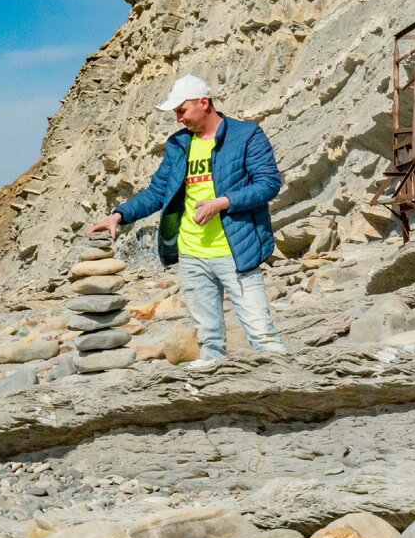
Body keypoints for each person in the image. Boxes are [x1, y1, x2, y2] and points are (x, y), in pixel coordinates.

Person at [87, 75, 287, 365]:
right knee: (209, 340)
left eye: (181, 110)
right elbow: (158, 191)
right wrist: (119, 215)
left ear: (203, 103)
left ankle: (285, 394)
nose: (178, 118)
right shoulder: (179, 144)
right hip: (192, 253)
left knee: (262, 335)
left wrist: (223, 202)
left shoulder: (247, 135)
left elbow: (268, 183)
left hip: (236, 251)